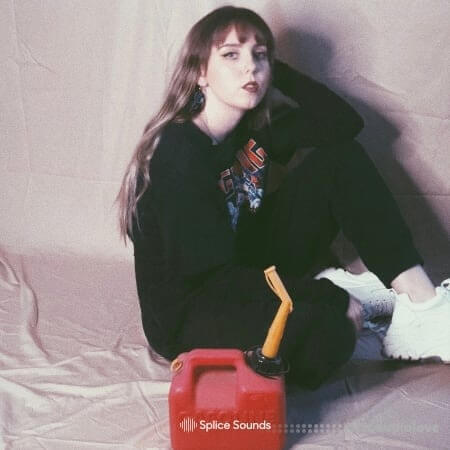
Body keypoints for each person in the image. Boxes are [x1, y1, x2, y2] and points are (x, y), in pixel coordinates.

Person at [115, 6, 449, 389]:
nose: (249, 67)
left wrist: (275, 73)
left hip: (241, 265)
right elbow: (211, 279)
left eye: (259, 55)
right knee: (328, 333)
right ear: (201, 72)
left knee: (340, 160)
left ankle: (422, 306)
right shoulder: (178, 153)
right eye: (231, 55)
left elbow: (344, 126)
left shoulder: (255, 127)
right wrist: (328, 296)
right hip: (192, 308)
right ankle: (340, 295)